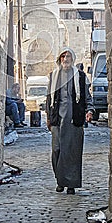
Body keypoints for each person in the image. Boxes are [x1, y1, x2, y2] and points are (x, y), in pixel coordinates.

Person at [46, 48, 94, 194]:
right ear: (59, 59)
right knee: (57, 150)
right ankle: (60, 180)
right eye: (63, 57)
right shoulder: (54, 76)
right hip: (57, 119)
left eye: (68, 57)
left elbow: (86, 96)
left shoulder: (80, 76)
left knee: (72, 151)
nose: (65, 59)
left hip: (74, 119)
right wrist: (48, 116)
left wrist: (89, 110)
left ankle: (71, 184)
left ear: (72, 59)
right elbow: (49, 99)